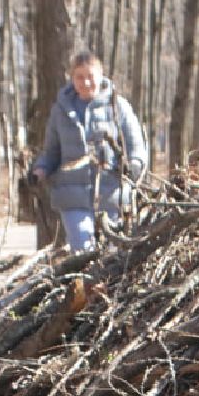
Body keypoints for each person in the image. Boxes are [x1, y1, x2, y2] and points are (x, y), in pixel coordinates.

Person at [28, 50, 148, 253]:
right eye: (79, 77)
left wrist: (134, 166)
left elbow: (136, 146)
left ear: (101, 76)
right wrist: (39, 170)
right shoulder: (61, 111)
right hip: (73, 195)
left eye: (90, 76)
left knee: (113, 254)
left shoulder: (118, 106)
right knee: (82, 250)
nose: (85, 83)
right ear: (72, 78)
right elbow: (51, 152)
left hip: (113, 195)